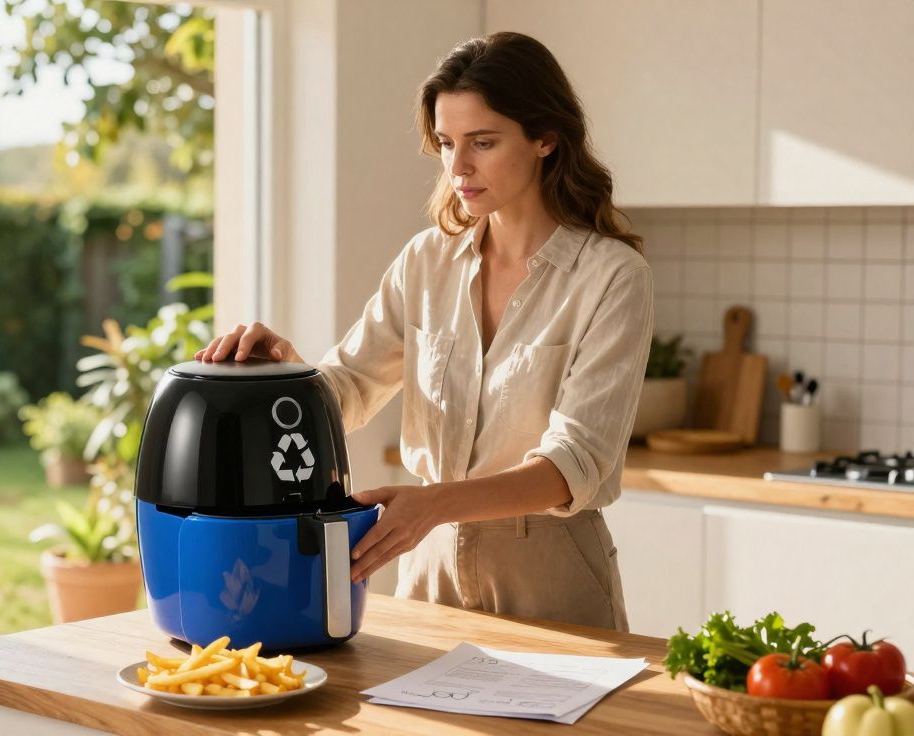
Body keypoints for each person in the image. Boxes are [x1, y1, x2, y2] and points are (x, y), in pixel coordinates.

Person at [196, 32, 651, 632]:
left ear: (546, 138)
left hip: (552, 573)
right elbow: (350, 388)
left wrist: (430, 505)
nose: (457, 168)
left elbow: (576, 465)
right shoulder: (426, 261)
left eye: (482, 143)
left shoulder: (612, 277)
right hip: (426, 568)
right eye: (445, 143)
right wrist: (282, 377)